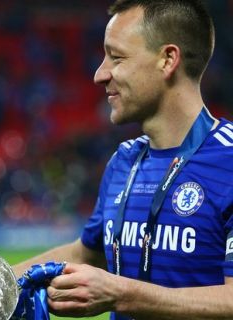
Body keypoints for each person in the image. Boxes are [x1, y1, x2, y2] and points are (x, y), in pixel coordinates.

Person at [13, 1, 233, 319]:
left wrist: (123, 294)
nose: (100, 74)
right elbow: (88, 253)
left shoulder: (228, 163)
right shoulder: (124, 162)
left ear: (168, 59)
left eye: (116, 57)